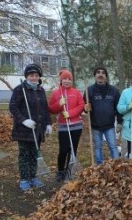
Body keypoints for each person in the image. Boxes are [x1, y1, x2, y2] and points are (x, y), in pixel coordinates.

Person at [9, 63, 52, 191]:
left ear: (39, 77)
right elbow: (13, 107)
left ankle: (33, 177)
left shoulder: (41, 90)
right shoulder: (20, 89)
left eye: (36, 75)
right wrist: (24, 120)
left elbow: (45, 109)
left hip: (37, 129)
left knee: (34, 153)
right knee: (24, 154)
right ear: (27, 76)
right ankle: (24, 179)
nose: (34, 78)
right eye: (31, 75)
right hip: (24, 130)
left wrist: (48, 123)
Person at [48, 69, 85, 181]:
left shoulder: (76, 92)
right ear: (61, 80)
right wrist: (59, 105)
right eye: (65, 78)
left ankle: (70, 169)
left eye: (69, 79)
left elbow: (81, 105)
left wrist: (70, 113)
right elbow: (51, 109)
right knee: (63, 149)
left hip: (76, 125)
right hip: (63, 127)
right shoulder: (56, 93)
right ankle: (60, 170)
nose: (67, 81)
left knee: (72, 149)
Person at [83, 66, 122, 165]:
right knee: (98, 147)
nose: (100, 74)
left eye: (103, 73)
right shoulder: (89, 91)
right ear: (95, 76)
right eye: (98, 73)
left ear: (106, 76)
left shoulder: (114, 91)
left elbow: (118, 108)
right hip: (95, 125)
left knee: (113, 146)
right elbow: (85, 108)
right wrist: (86, 108)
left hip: (109, 125)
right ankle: (99, 167)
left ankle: (117, 165)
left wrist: (120, 122)